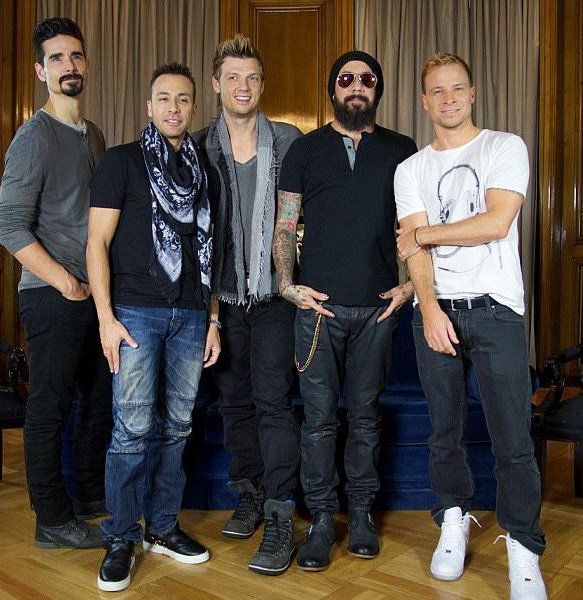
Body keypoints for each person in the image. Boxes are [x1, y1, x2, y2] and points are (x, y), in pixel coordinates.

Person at [394, 53, 547, 600]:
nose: (448, 99)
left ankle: (524, 545)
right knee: (445, 430)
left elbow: (497, 222)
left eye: (457, 88)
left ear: (473, 93)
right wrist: (429, 308)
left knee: (513, 436)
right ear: (424, 101)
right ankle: (452, 519)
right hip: (437, 311)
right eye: (437, 91)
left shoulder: (504, 147)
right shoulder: (410, 169)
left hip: (496, 309)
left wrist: (424, 234)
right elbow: (413, 253)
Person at [273, 50, 416, 572]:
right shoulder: (305, 150)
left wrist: (409, 287)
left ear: (378, 89)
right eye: (346, 79)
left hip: (378, 312)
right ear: (332, 89)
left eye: (367, 79)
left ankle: (360, 515)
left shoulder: (402, 149)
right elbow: (285, 224)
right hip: (318, 312)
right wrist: (286, 285)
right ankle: (319, 521)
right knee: (317, 422)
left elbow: (412, 226)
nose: (357, 86)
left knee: (366, 418)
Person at [87, 63, 219, 592]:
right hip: (135, 313)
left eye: (183, 99)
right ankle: (121, 536)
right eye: (163, 98)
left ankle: (162, 527)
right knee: (132, 429)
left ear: (194, 107)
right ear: (149, 107)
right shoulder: (121, 162)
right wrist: (106, 319)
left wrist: (213, 319)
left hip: (191, 314)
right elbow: (96, 243)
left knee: (178, 426)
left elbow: (211, 253)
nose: (173, 107)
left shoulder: (204, 171)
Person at [0, 17, 110, 549]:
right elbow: (8, 225)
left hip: (93, 295)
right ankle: (51, 520)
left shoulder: (94, 135)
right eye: (57, 58)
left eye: (76, 56)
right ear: (41, 71)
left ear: (86, 64)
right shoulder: (32, 138)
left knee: (98, 401)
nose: (69, 65)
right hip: (51, 295)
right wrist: (64, 282)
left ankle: (88, 499)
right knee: (50, 406)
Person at [194, 34, 302, 576]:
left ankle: (281, 514)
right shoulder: (198, 147)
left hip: (274, 295)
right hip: (222, 300)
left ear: (262, 85)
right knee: (234, 404)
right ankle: (251, 493)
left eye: (252, 77)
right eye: (233, 77)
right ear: (216, 84)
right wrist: (210, 315)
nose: (243, 86)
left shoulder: (287, 140)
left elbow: (301, 212)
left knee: (273, 402)